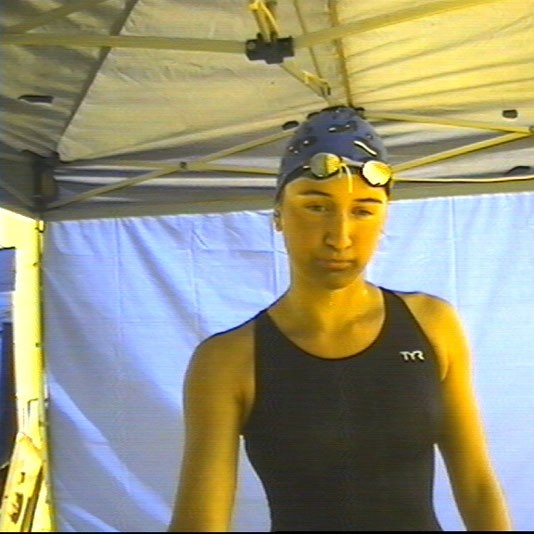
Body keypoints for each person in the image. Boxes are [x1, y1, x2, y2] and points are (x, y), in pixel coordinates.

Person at [168, 105, 512, 532]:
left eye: (364, 210)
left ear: (384, 219)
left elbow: (477, 487)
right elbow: (199, 522)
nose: (340, 237)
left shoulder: (432, 325)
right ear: (278, 215)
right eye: (316, 207)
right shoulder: (227, 361)